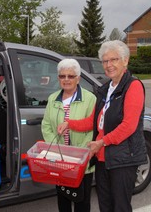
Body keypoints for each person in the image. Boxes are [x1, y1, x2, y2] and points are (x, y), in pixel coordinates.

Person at [57, 40, 147, 212]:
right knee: (105, 206)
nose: (109, 65)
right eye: (105, 61)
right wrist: (69, 124)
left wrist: (101, 142)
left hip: (123, 159)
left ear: (125, 61)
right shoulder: (105, 89)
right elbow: (93, 122)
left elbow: (128, 126)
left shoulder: (133, 86)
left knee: (120, 207)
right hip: (102, 159)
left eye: (114, 60)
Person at [41, 58, 96, 212]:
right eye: (62, 76)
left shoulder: (90, 99)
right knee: (63, 198)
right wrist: (58, 150)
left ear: (78, 78)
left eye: (71, 76)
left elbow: (93, 127)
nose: (66, 80)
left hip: (81, 160)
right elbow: (46, 125)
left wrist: (78, 153)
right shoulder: (53, 99)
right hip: (59, 160)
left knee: (82, 201)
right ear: (58, 78)